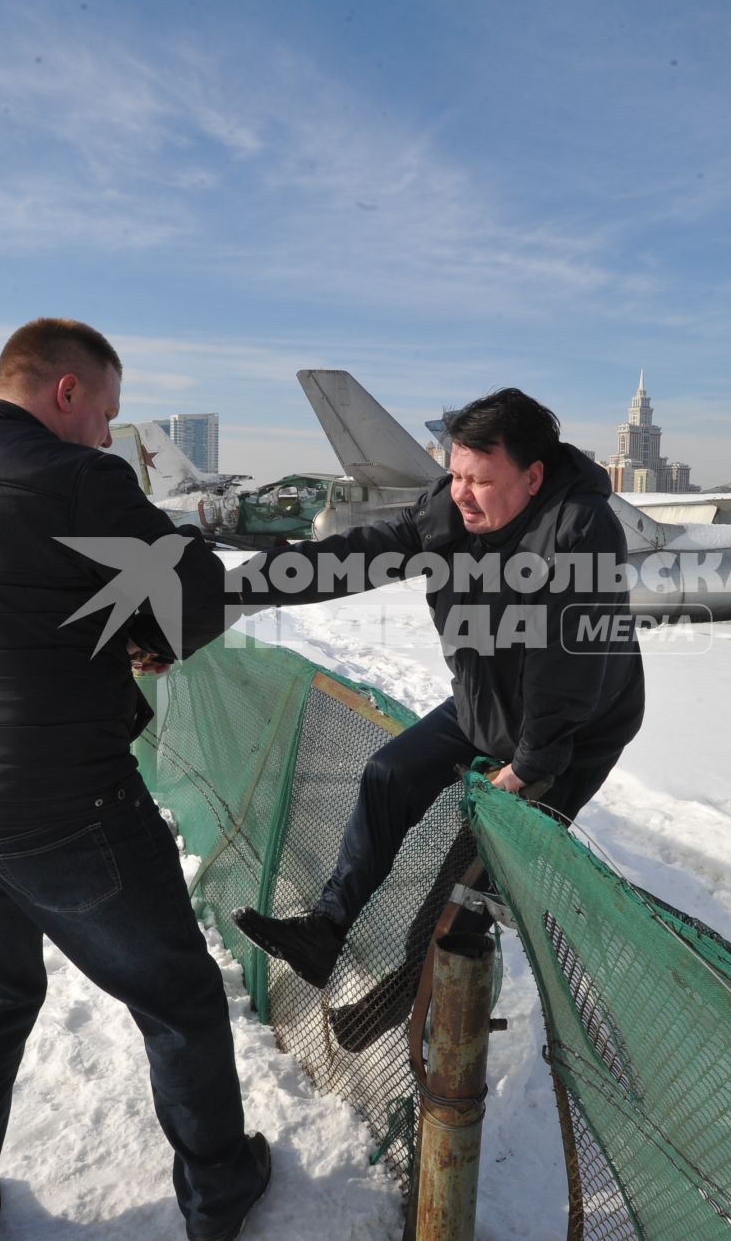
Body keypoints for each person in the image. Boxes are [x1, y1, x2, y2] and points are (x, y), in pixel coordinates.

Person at [0, 318, 271, 1241]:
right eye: (107, 414)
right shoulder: (77, 476)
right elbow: (191, 590)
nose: (106, 435)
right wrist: (140, 640)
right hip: (65, 806)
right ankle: (220, 1191)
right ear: (67, 392)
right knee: (178, 998)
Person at [230, 388, 645, 994]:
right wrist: (243, 586)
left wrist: (529, 766)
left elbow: (568, 668)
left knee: (472, 880)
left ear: (533, 476)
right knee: (388, 775)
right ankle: (326, 930)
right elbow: (359, 555)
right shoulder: (449, 511)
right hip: (487, 695)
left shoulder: (580, 530)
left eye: (479, 479)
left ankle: (419, 1004)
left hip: (573, 726)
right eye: (454, 474)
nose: (461, 493)